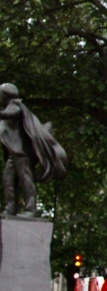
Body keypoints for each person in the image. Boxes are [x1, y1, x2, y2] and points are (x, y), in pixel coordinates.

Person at [1, 83, 67, 216]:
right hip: (12, 153)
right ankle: (10, 208)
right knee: (7, 179)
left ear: (4, 95)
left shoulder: (16, 106)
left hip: (21, 153)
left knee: (26, 178)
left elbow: (9, 114)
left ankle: (30, 209)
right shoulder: (7, 107)